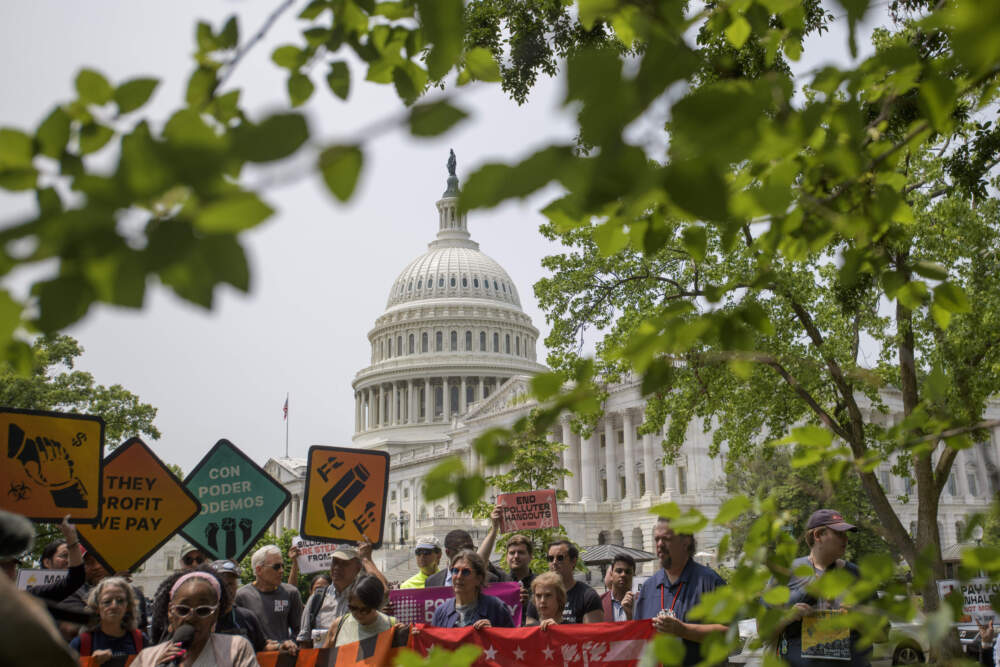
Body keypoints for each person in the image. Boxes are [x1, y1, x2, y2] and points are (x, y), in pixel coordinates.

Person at [773, 509, 867, 667]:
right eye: (839, 533)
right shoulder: (785, 573)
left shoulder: (856, 575)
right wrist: (788, 617)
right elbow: (762, 631)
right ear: (817, 536)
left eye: (846, 533)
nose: (846, 539)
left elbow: (882, 635)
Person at [635, 517, 728, 666]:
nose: (659, 545)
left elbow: (737, 633)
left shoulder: (710, 582)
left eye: (666, 539)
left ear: (686, 542)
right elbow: (639, 642)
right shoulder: (648, 588)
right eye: (657, 539)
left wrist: (684, 630)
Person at [135, 569, 258, 666]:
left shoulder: (236, 649)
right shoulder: (147, 658)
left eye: (203, 610)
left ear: (215, 614)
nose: (191, 617)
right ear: (170, 612)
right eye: (183, 610)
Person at [297, 542, 388, 648]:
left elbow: (384, 590)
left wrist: (366, 559)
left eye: (344, 563)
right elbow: (304, 641)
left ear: (358, 568)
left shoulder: (364, 596)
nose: (337, 567)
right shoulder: (316, 598)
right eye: (334, 562)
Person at [234, 545, 301, 650]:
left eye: (282, 566)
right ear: (259, 570)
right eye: (276, 567)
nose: (281, 570)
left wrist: (290, 644)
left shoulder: (291, 593)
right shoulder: (241, 596)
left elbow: (299, 631)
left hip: (283, 659)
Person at [70, 576, 150, 660]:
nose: (114, 606)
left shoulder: (140, 640)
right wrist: (91, 663)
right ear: (97, 607)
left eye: (120, 600)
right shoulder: (82, 643)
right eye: (107, 601)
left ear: (128, 606)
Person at [430, 550, 514, 628]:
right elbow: (433, 643)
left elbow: (510, 641)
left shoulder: (496, 608)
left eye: (465, 572)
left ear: (479, 579)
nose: (459, 576)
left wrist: (493, 633)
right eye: (455, 571)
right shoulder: (441, 612)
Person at [526, 540, 603, 624]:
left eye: (560, 558)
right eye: (550, 558)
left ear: (573, 561)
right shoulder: (538, 595)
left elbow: (592, 634)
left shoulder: (588, 596)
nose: (554, 562)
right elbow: (530, 630)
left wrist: (559, 631)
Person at [323, 574, 397, 647]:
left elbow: (402, 657)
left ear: (376, 605)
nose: (358, 614)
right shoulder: (339, 625)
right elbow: (323, 657)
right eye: (353, 608)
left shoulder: (392, 626)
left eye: (364, 610)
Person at [210, 560, 269, 652]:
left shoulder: (247, 618)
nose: (227, 590)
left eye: (231, 584)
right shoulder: (203, 619)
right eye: (222, 585)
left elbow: (262, 647)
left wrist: (282, 646)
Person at [29, 515, 86, 602]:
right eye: (64, 555)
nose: (69, 561)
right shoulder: (35, 592)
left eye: (72, 556)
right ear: (47, 563)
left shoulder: (86, 588)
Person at [425, 528, 508, 588]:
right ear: (448, 552)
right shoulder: (432, 582)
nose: (468, 554)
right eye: (462, 550)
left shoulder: (490, 579)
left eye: (471, 549)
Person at [602, 554, 636, 621]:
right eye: (619, 571)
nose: (623, 574)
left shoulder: (641, 602)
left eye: (628, 572)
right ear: (611, 574)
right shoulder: (599, 602)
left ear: (633, 575)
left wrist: (630, 615)